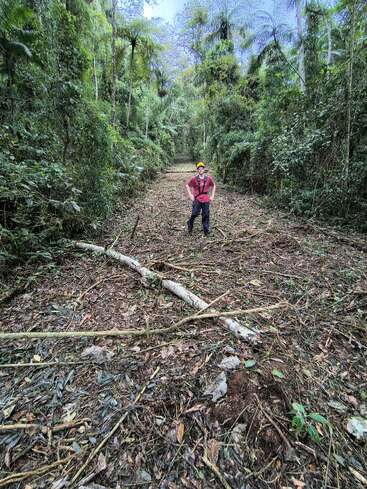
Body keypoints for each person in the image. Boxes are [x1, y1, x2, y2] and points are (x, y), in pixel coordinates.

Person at [186, 161, 216, 236]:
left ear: (204, 169)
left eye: (202, 168)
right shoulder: (194, 179)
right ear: (197, 170)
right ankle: (190, 223)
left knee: (206, 215)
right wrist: (190, 195)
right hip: (197, 199)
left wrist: (212, 196)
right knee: (194, 213)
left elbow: (214, 185)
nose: (200, 170)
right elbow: (187, 185)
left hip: (206, 199)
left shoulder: (208, 178)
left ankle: (206, 230)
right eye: (199, 169)